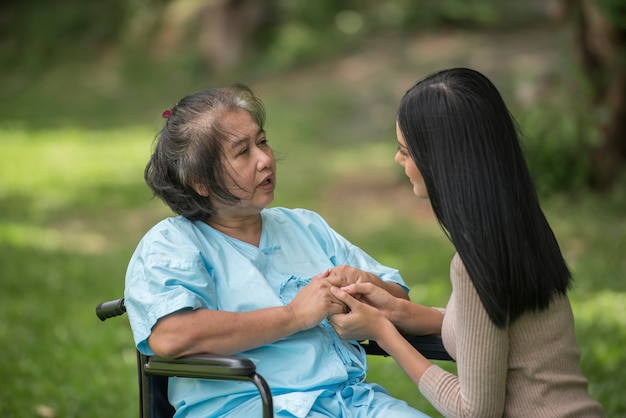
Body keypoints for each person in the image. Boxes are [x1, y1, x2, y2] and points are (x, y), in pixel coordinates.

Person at [124, 84, 430, 417]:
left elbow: (399, 299)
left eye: (262, 142)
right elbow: (172, 336)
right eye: (243, 152)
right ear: (200, 181)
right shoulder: (172, 244)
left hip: (353, 401)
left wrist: (365, 283)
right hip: (251, 407)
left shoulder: (304, 227)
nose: (265, 159)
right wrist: (295, 316)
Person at [328, 68, 606, 417]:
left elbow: (474, 412)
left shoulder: (476, 264)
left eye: (405, 151)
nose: (398, 160)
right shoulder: (519, 227)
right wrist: (400, 312)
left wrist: (383, 333)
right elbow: (495, 332)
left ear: (441, 162)